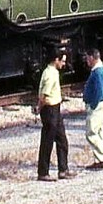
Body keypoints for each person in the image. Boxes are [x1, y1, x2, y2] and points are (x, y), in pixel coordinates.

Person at [36, 47, 72, 181]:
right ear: (56, 60)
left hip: (55, 109)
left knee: (62, 139)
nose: (64, 64)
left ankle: (63, 169)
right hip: (49, 110)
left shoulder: (52, 72)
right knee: (47, 141)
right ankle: (43, 172)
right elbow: (44, 96)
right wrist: (39, 108)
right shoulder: (50, 74)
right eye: (62, 61)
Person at [82, 48, 103, 169]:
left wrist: (92, 105)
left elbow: (99, 91)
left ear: (92, 58)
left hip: (98, 106)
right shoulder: (99, 70)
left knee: (91, 133)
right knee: (99, 133)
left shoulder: (98, 72)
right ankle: (100, 159)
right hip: (102, 105)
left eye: (87, 58)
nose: (86, 61)